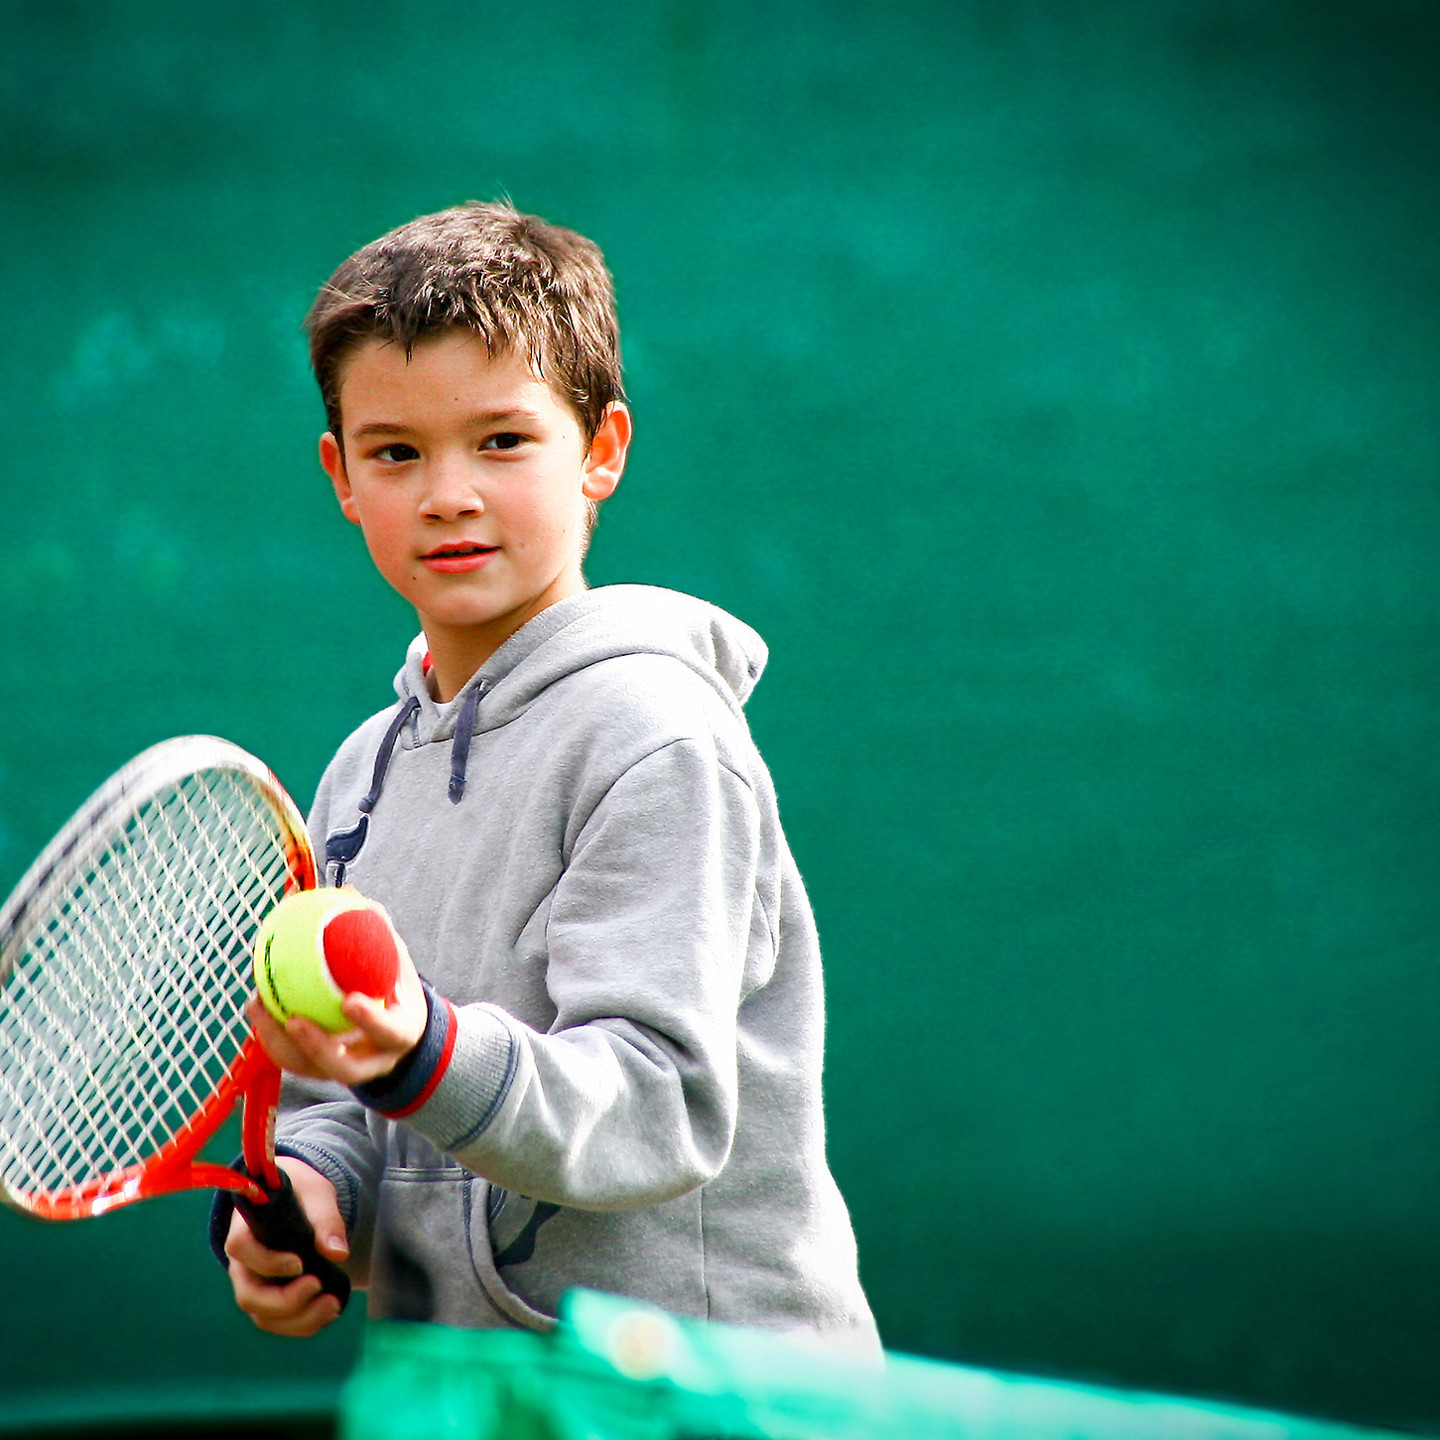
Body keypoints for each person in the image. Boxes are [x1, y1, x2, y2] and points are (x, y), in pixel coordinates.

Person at [218, 201, 878, 1350]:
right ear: (341, 476)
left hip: (716, 1399)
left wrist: (426, 1047)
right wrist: (318, 1196)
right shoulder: (358, 779)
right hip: (480, 1388)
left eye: (504, 440)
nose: (448, 493)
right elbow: (346, 1095)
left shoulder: (659, 736)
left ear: (603, 452)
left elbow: (657, 1102)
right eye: (396, 453)